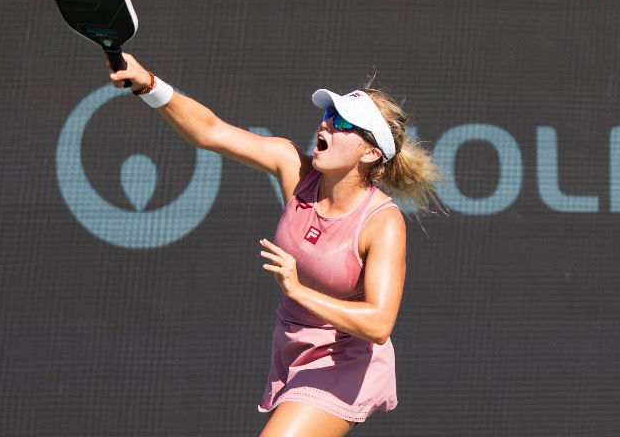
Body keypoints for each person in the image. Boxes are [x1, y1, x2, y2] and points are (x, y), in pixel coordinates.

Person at [108, 54, 442, 437]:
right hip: (291, 350)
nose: (326, 123)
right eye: (329, 114)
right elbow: (210, 131)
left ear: (370, 152)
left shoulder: (382, 223)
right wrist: (149, 84)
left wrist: (297, 289)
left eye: (344, 123)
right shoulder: (294, 169)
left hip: (345, 362)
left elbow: (379, 324)